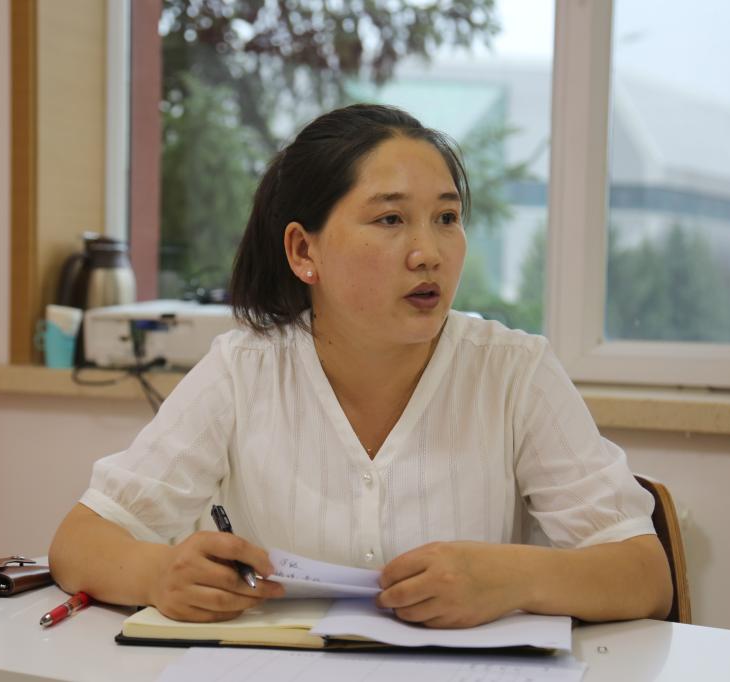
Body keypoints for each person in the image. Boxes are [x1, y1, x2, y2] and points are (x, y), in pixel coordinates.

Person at [49, 104, 672, 628]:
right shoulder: (244, 371)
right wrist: (161, 572)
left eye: (447, 218)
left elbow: (644, 575)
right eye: (391, 219)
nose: (429, 253)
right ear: (304, 250)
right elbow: (80, 543)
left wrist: (513, 577)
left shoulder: (513, 371)